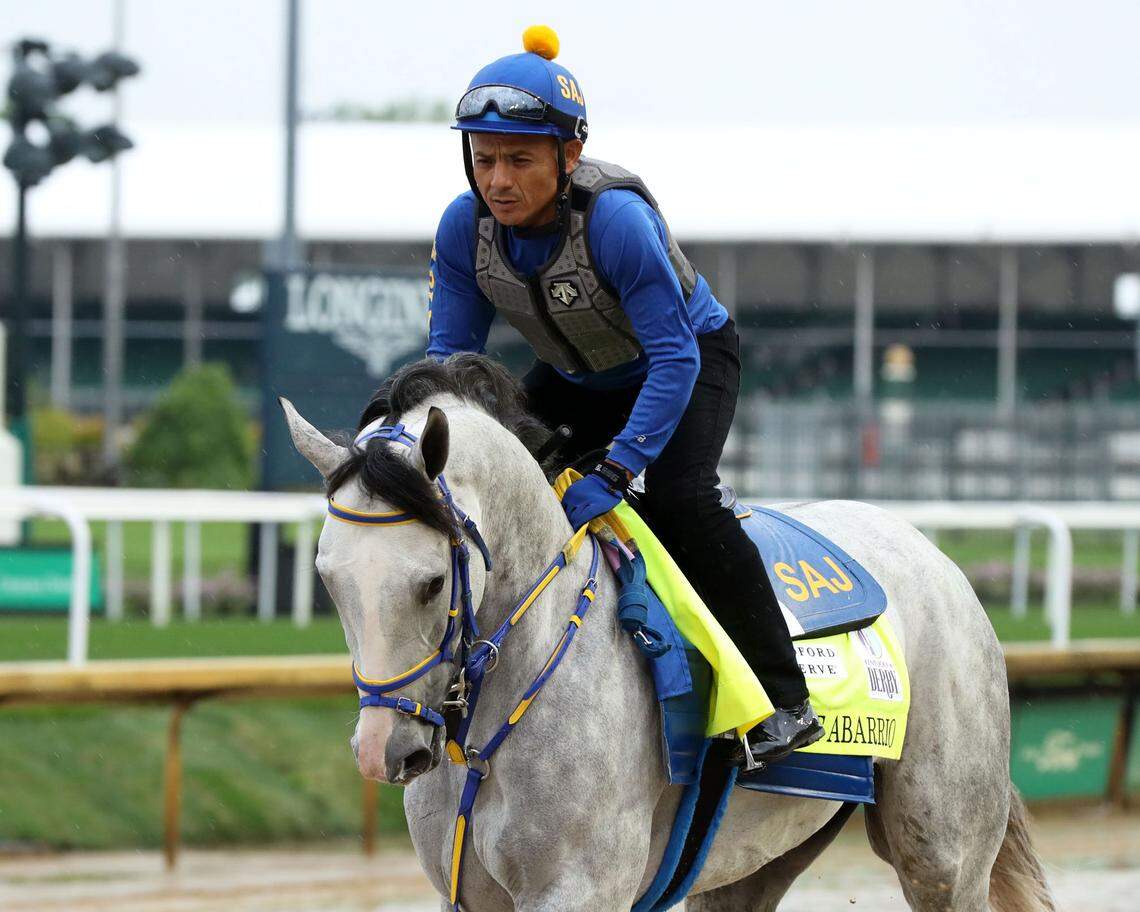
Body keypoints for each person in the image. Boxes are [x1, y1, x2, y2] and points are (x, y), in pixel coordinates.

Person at [426, 26, 821, 764]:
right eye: (484, 160)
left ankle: (785, 697)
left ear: (568, 156)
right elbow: (450, 366)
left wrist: (615, 472)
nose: (498, 181)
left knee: (678, 498)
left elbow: (672, 359)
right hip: (579, 378)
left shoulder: (617, 222)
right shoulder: (462, 227)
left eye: (520, 160)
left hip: (687, 361)